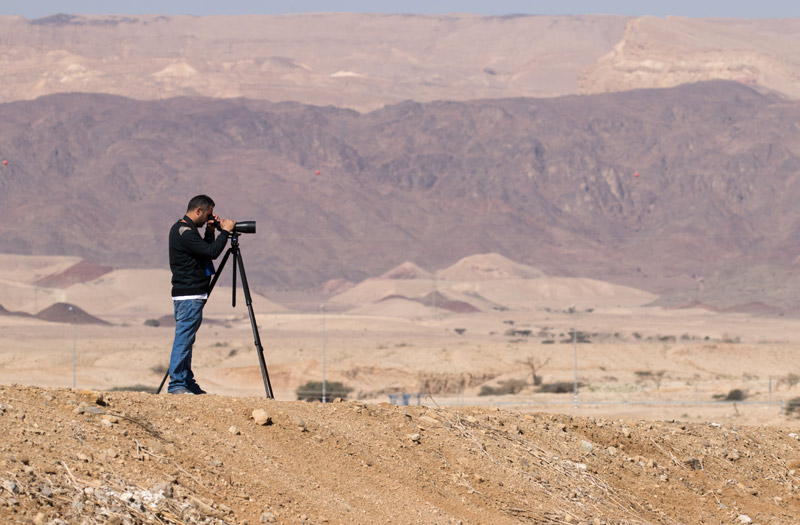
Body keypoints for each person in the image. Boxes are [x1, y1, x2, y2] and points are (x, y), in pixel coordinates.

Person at [167, 195, 235, 395]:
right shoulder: (185, 232)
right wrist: (225, 232)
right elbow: (212, 253)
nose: (208, 219)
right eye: (208, 215)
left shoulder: (185, 230)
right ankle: (177, 384)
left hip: (190, 293)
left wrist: (211, 231)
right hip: (189, 295)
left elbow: (204, 251)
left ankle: (187, 382)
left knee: (187, 339)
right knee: (183, 339)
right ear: (198, 211)